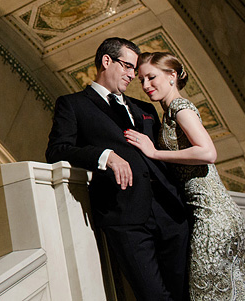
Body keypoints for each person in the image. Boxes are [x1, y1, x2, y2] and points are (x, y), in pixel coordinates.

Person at [46, 38, 190, 301]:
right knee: (154, 297)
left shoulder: (145, 109)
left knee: (185, 294)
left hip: (171, 213)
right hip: (125, 217)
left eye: (134, 69)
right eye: (127, 66)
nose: (132, 76)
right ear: (106, 61)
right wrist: (105, 156)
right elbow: (57, 150)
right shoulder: (73, 105)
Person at [125, 52, 245, 301]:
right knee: (234, 292)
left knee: (208, 293)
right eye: (141, 80)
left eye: (151, 77)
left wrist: (154, 152)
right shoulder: (168, 112)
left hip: (213, 216)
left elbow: (208, 152)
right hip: (211, 212)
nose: (146, 85)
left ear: (171, 76)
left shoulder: (181, 108)